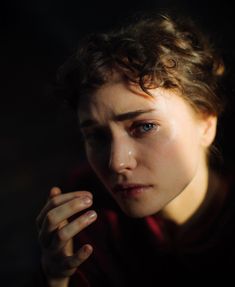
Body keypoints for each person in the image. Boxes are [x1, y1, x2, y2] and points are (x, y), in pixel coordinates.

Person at [36, 11, 235, 287]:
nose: (116, 163)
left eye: (144, 127)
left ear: (205, 124)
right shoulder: (84, 219)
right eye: (96, 136)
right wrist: (56, 278)